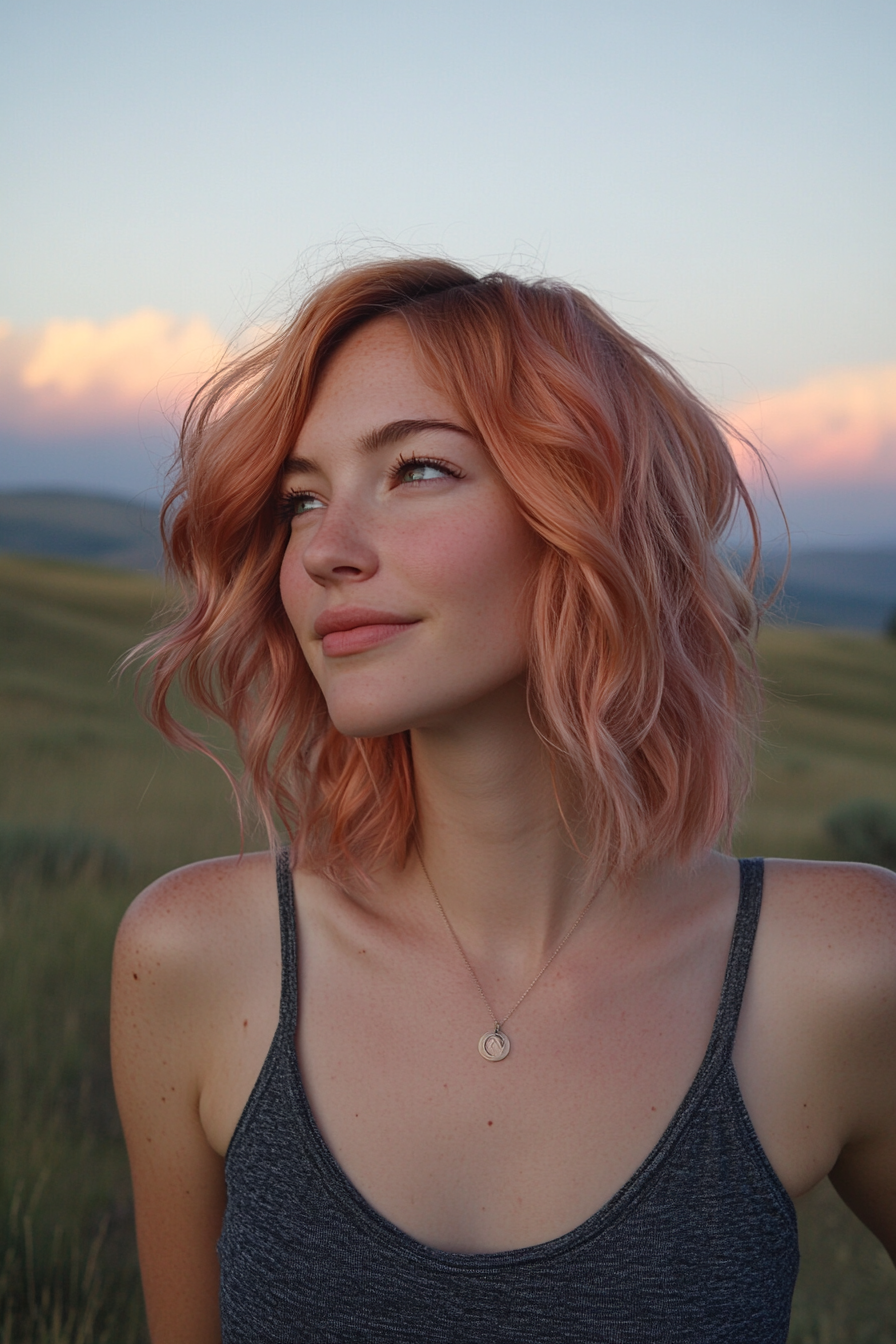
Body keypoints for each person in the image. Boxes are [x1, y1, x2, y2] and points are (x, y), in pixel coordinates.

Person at [111, 258, 896, 1343]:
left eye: (416, 470)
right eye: (300, 499)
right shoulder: (197, 961)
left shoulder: (839, 969)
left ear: (589, 506)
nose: (325, 551)